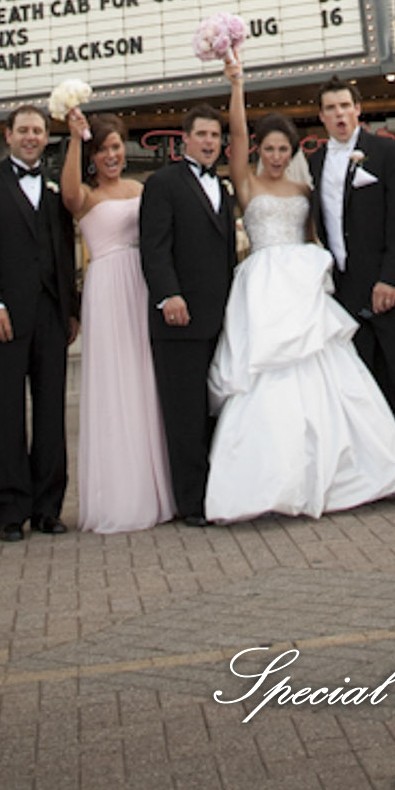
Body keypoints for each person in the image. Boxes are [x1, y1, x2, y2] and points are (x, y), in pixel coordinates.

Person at [205, 55, 395, 521]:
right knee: (266, 376)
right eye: (270, 149)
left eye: (284, 150)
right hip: (262, 290)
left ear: (293, 152)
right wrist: (237, 85)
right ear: (260, 151)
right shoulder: (247, 185)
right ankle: (269, 481)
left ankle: (343, 473)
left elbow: (323, 233)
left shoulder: (303, 193)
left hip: (304, 289)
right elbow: (235, 138)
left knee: (327, 374)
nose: (276, 157)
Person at [309, 78, 395, 504]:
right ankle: (386, 473)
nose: (339, 114)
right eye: (330, 108)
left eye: (345, 105)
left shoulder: (386, 152)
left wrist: (390, 278)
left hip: (393, 288)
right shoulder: (313, 164)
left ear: (358, 108)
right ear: (322, 116)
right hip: (345, 293)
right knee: (367, 389)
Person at [0, 103, 80, 540]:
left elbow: (64, 251)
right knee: (6, 413)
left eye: (39, 130)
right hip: (4, 318)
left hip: (50, 314)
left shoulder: (54, 189)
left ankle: (48, 508)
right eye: (24, 130)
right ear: (7, 135)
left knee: (52, 413)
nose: (32, 137)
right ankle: (10, 511)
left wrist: (71, 308)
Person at [60, 106, 174, 534]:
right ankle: (121, 494)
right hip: (108, 286)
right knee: (116, 382)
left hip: (143, 282)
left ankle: (158, 486)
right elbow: (69, 195)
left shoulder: (141, 187)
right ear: (92, 156)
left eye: (116, 148)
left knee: (148, 378)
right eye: (104, 149)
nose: (112, 156)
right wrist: (74, 137)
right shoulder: (86, 196)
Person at [138, 104, 238, 527]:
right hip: (179, 319)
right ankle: (191, 503)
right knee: (184, 414)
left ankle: (219, 493)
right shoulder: (162, 183)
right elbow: (154, 247)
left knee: (217, 411)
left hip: (220, 316)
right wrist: (168, 295)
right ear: (185, 140)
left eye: (215, 136)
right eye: (202, 135)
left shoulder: (225, 189)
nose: (210, 142)